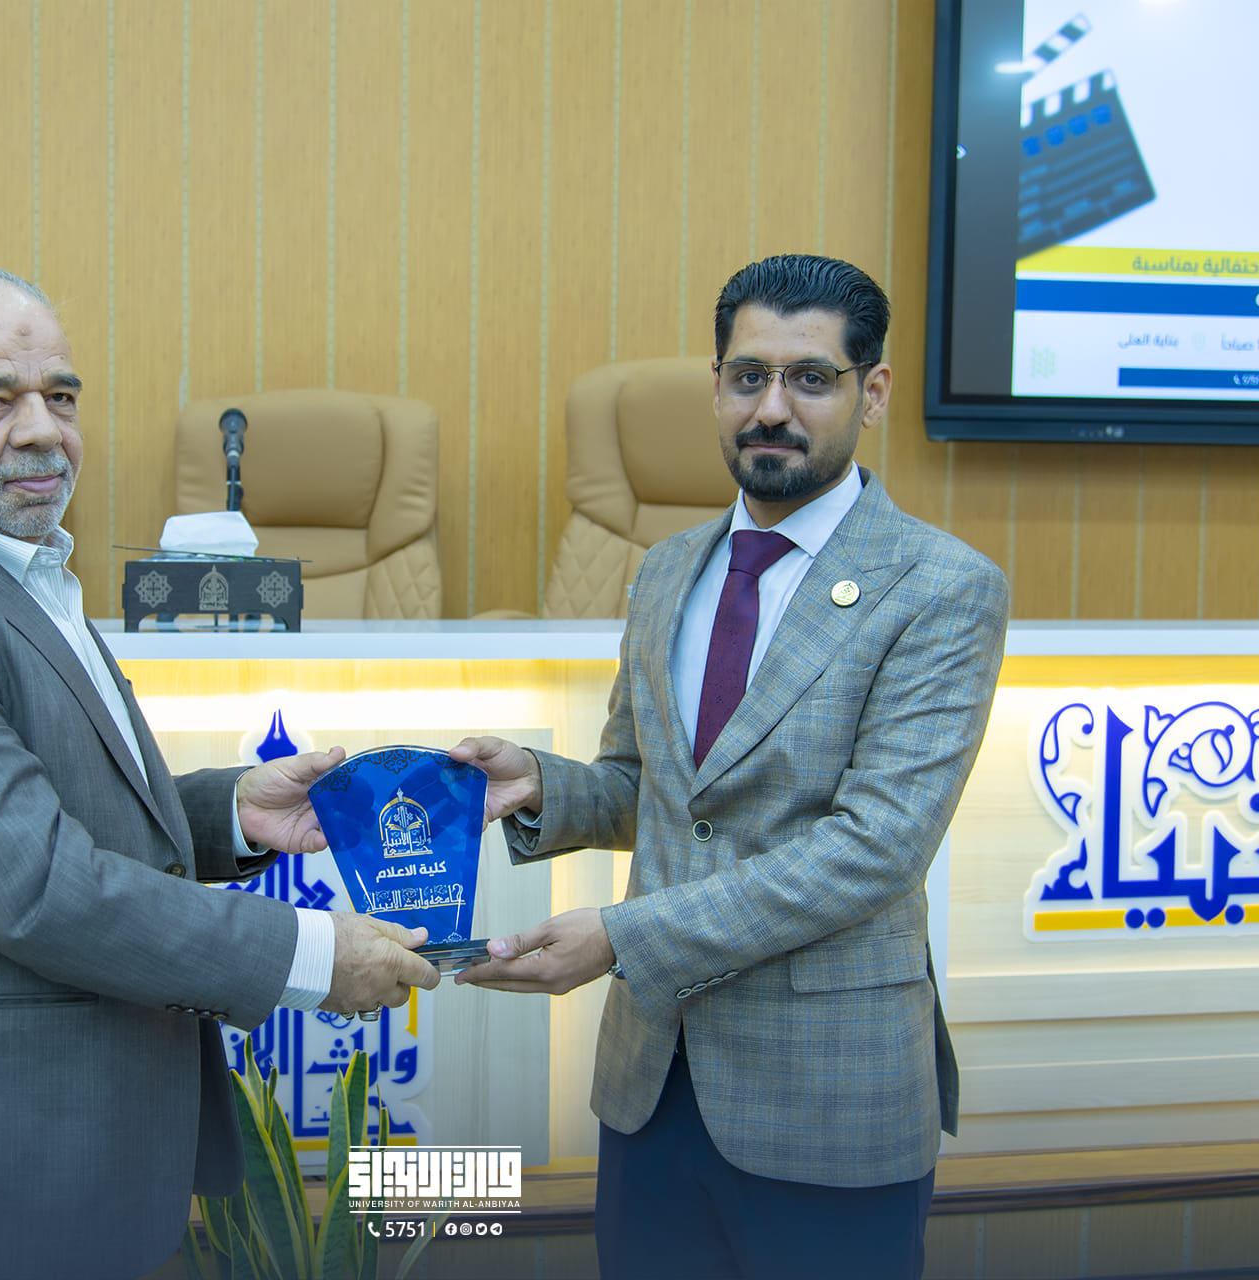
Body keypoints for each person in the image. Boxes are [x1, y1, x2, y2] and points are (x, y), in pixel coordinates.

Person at [0, 265, 438, 1280]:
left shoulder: (12, 567)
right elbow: (32, 883)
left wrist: (228, 812)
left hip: (45, 1169)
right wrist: (309, 953)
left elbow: (45, 807)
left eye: (60, 396)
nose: (42, 431)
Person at [450, 254, 1009, 1279]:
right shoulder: (668, 571)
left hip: (829, 1104)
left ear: (872, 392)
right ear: (716, 386)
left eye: (811, 378)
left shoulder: (943, 587)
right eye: (749, 376)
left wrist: (620, 937)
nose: (772, 408)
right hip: (651, 1090)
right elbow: (652, 789)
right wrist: (539, 782)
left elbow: (873, 849)